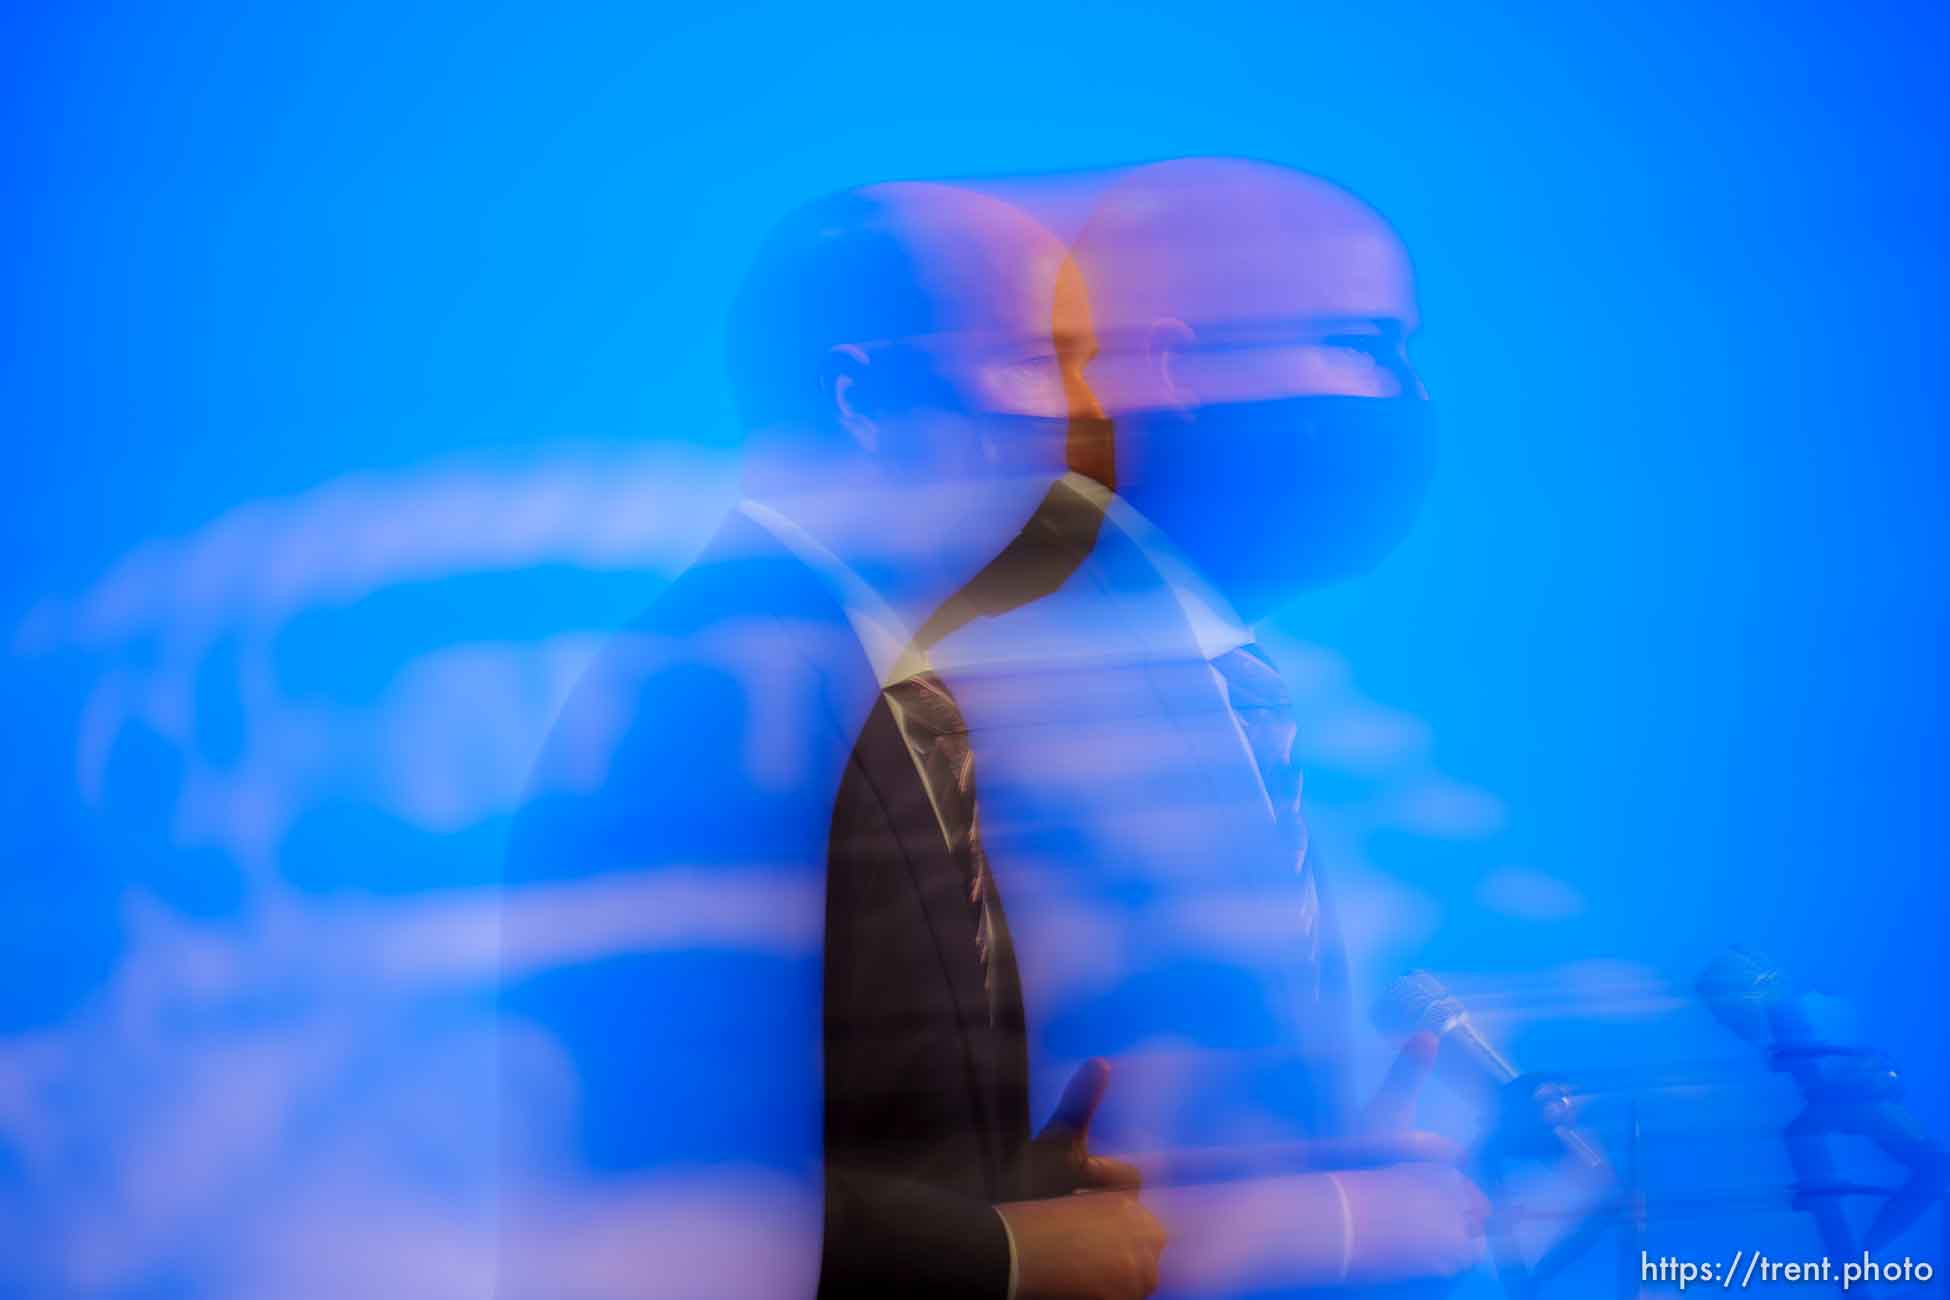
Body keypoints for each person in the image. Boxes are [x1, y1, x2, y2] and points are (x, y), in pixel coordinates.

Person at [495, 181, 1167, 1300]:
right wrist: (1004, 1257)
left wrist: (1006, 1189)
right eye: (1043, 361)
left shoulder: (860, 678)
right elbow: (651, 1175)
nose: (1082, 417)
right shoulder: (703, 703)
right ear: (866, 395)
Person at [911, 156, 1485, 1295]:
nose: (1406, 399)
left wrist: (1321, 1165)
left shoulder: (1192, 662)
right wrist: (1327, 1220)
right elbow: (979, 1163)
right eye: (1369, 344)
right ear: (1173, 364)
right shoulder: (1010, 677)